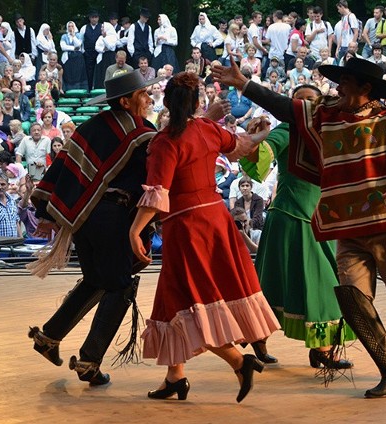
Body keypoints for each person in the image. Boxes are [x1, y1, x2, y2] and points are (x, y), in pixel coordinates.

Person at [213, 56, 386, 398]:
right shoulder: (328, 116)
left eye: (345, 82)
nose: (337, 87)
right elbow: (287, 108)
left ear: (365, 88)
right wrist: (244, 84)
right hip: (345, 228)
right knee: (353, 302)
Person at [128, 71, 277, 403]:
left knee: (195, 301)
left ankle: (240, 361)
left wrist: (135, 229)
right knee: (173, 298)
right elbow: (240, 148)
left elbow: (157, 194)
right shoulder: (207, 129)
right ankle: (175, 376)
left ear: (166, 103)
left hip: (187, 227)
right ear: (195, 103)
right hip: (215, 219)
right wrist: (266, 132)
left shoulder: (164, 142)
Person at [27, 70, 162, 386]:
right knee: (119, 286)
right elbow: (152, 181)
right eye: (144, 95)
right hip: (113, 220)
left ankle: (49, 337)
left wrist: (52, 210)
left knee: (96, 280)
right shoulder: (142, 132)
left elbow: (63, 170)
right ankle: (89, 361)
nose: (149, 98)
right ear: (127, 101)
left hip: (82, 220)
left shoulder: (92, 126)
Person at [238, 83, 355, 368]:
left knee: (278, 286)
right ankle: (321, 348)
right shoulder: (288, 130)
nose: (304, 105)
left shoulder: (332, 132)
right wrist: (254, 141)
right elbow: (261, 155)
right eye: (298, 101)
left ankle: (262, 337)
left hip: (324, 220)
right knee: (320, 288)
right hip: (293, 217)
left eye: (310, 100)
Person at [60, 21, 88, 91]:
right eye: (69, 26)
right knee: (68, 75)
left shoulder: (79, 35)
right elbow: (63, 47)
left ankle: (79, 92)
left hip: (77, 58)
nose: (70, 28)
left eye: (72, 26)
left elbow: (78, 45)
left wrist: (73, 36)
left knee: (78, 76)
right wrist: (73, 48)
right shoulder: (64, 36)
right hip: (68, 59)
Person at [80, 10, 102, 90]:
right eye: (92, 17)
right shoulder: (84, 28)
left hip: (99, 53)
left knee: (99, 71)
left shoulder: (102, 26)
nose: (94, 19)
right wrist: (83, 51)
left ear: (98, 18)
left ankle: (98, 89)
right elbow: (80, 41)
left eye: (95, 17)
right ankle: (89, 89)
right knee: (89, 72)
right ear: (89, 18)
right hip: (88, 53)